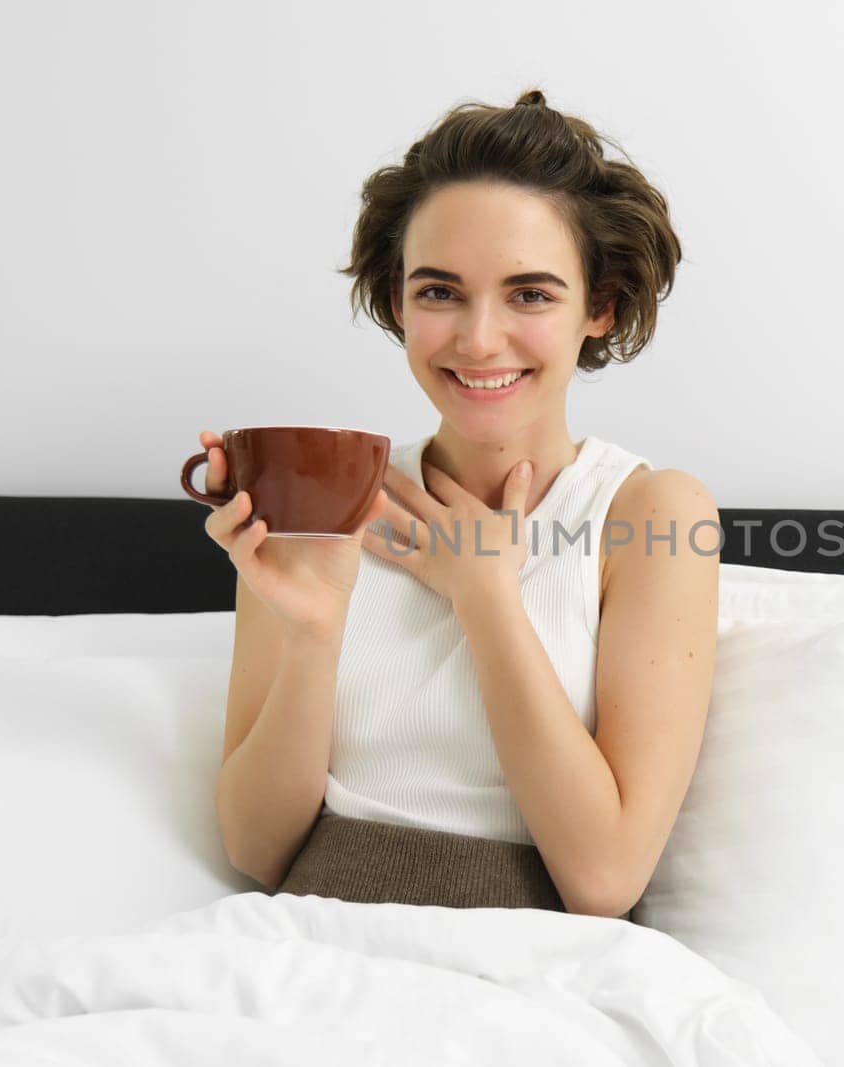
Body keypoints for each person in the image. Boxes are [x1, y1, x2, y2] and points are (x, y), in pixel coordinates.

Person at [197, 88, 719, 921]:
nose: (478, 339)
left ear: (602, 306)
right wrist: (312, 634)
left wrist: (485, 596)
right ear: (397, 302)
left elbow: (605, 878)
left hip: (531, 974)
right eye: (439, 292)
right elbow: (258, 851)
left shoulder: (652, 512)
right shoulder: (323, 500)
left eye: (531, 294)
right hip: (301, 950)